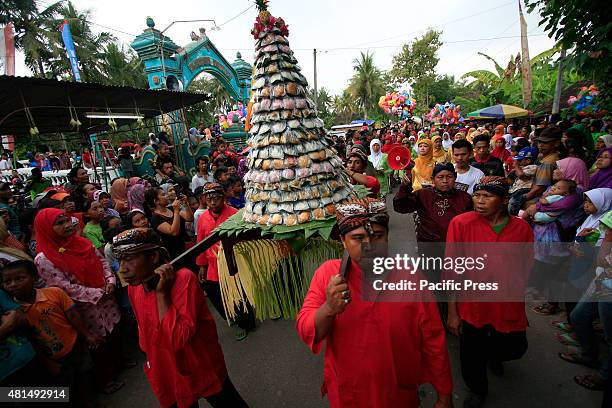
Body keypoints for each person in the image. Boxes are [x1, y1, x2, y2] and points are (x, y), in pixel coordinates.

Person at [296, 197, 453, 408]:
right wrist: (329, 309)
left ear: (388, 236)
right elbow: (306, 328)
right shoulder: (327, 274)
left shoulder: (410, 276)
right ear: (342, 242)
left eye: (378, 236)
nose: (369, 246)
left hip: (398, 392)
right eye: (358, 238)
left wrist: (445, 393)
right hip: (348, 393)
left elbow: (433, 339)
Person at [112, 228, 248, 407]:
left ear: (153, 257)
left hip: (199, 361)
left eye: (129, 259)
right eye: (120, 260)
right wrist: (153, 361)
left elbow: (178, 338)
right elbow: (144, 331)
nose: (122, 269)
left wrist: (162, 295)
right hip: (165, 367)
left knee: (226, 400)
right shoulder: (134, 287)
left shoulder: (184, 279)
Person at [446, 176, 533, 408]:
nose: (480, 201)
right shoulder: (461, 224)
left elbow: (526, 266)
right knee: (471, 354)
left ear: (504, 200)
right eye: (477, 195)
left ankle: (493, 355)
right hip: (472, 304)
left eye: (487, 196)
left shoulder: (521, 228)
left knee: (515, 347)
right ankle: (477, 389)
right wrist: (452, 312)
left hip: (506, 302)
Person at [33, 208, 123, 394]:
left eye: (67, 220)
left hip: (106, 299)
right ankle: (104, 380)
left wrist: (110, 281)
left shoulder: (81, 242)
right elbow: (61, 287)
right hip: (82, 308)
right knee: (95, 345)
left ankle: (117, 368)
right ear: (46, 229)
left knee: (113, 333)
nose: (67, 226)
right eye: (59, 223)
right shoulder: (44, 259)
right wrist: (96, 292)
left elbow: (102, 263)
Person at [2, 260, 99, 405]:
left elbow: (72, 315)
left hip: (74, 345)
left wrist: (87, 334)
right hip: (52, 357)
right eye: (7, 282)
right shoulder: (16, 313)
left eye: (19, 279)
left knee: (84, 375)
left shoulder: (54, 293)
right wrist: (48, 362)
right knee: (63, 390)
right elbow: (30, 338)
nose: (13, 285)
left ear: (34, 278)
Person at [196, 183, 255, 340]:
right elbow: (200, 242)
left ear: (223, 198)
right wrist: (202, 266)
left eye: (216, 198)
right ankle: (233, 317)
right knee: (215, 293)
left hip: (233, 262)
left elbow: (245, 240)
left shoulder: (235, 214)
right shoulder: (202, 218)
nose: (213, 202)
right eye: (209, 199)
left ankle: (245, 322)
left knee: (239, 292)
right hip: (213, 265)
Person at [0, 287, 40, 387]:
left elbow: (21, 317)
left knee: (53, 397)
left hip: (26, 358)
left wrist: (15, 319)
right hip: (4, 376)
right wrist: (6, 327)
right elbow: (11, 322)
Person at [146, 187, 194, 260]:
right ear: (156, 201)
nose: (167, 196)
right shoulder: (155, 218)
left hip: (186, 245)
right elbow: (174, 232)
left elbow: (189, 218)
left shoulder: (171, 209)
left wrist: (186, 204)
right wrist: (176, 211)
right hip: (175, 253)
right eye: (163, 195)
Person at [523, 127, 562, 203]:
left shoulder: (548, 162)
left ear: (556, 143)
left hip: (539, 197)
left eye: (545, 142)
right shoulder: (554, 156)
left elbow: (539, 188)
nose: (540, 145)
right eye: (539, 142)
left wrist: (522, 199)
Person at [508, 147, 538, 215]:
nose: (518, 162)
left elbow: (521, 175)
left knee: (514, 202)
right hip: (517, 189)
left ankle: (515, 214)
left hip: (524, 189)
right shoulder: (521, 167)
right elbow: (510, 178)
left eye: (520, 160)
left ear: (528, 160)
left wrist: (516, 166)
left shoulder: (533, 167)